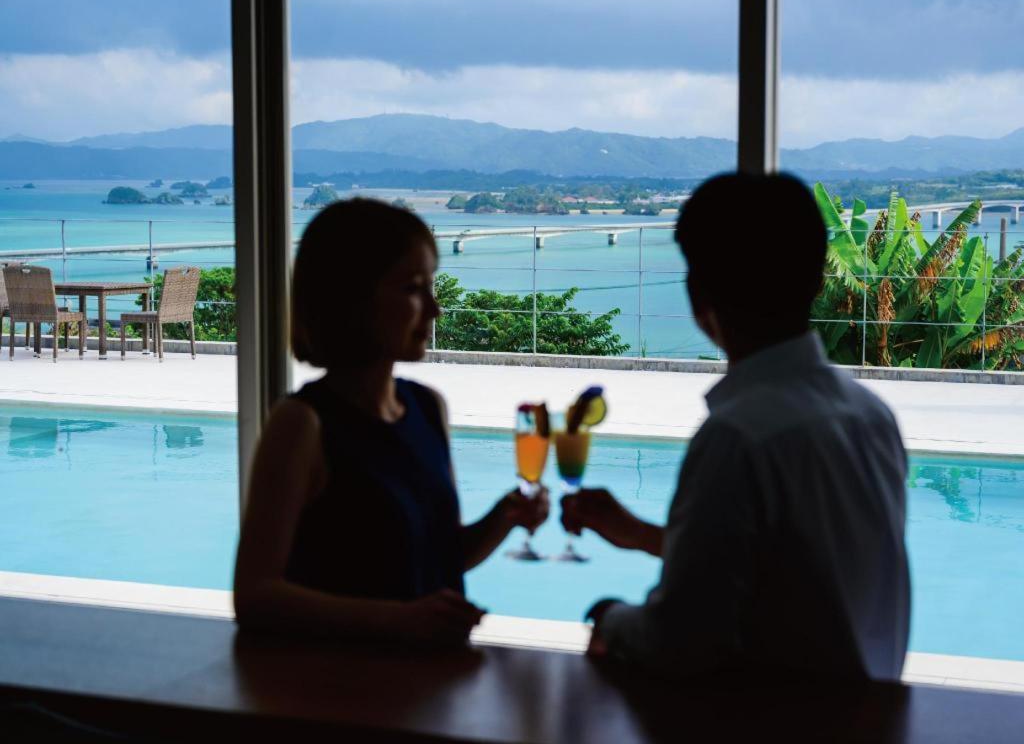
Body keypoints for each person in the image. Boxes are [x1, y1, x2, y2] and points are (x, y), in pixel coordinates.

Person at [562, 173, 910, 681]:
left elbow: (681, 639)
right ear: (817, 281)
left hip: (777, 715)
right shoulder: (870, 414)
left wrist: (608, 618)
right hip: (868, 708)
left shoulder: (739, 437)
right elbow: (797, 571)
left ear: (697, 294)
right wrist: (640, 535)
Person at [234, 198, 548, 646]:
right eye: (412, 289)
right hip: (341, 682)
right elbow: (255, 597)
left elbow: (438, 558)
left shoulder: (427, 407)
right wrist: (397, 621)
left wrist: (504, 517)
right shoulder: (302, 425)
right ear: (352, 298)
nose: (434, 309)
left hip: (427, 678)